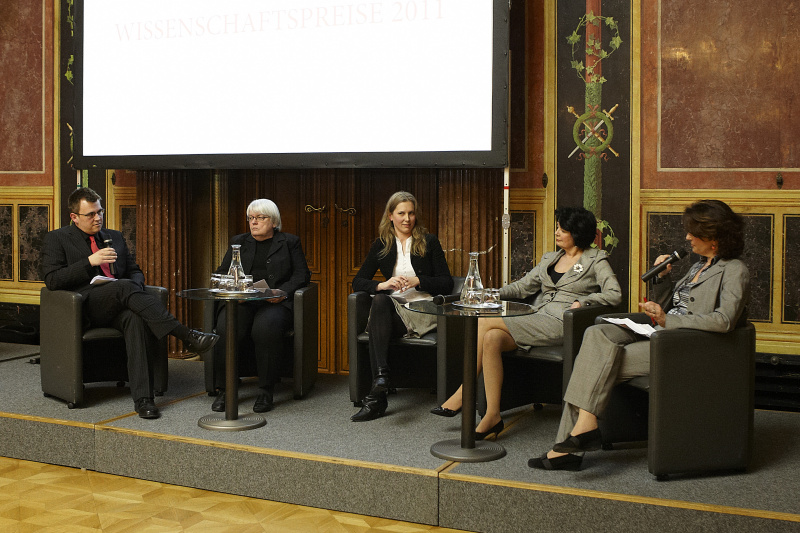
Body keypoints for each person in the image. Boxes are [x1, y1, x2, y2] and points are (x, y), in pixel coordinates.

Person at [529, 199, 749, 471]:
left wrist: (670, 321)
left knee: (595, 361)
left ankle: (566, 448)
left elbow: (725, 320)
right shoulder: (697, 266)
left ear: (713, 236)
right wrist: (663, 280)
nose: (687, 237)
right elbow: (672, 305)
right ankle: (582, 428)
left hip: (688, 348)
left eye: (693, 231)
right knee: (597, 334)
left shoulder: (734, 270)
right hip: (663, 333)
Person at [433, 206, 622, 440]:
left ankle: (463, 393)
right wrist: (494, 294)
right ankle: (492, 415)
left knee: (482, 322)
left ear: (578, 233)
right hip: (537, 317)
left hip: (562, 322)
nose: (557, 232)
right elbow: (523, 287)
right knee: (491, 338)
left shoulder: (596, 260)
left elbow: (614, 294)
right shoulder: (550, 258)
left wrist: (583, 301)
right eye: (557, 228)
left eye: (563, 229)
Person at [41, 187, 219, 419]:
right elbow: (52, 280)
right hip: (83, 307)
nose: (98, 218)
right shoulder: (57, 238)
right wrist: (89, 262)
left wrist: (134, 287)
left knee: (135, 317)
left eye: (100, 211)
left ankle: (144, 400)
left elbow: (135, 271)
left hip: (121, 302)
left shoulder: (113, 236)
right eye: (91, 214)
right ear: (74, 217)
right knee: (124, 287)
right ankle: (186, 335)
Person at [350, 191, 454, 422]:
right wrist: (383, 284)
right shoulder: (381, 244)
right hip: (394, 311)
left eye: (411, 213)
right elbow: (358, 281)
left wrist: (420, 280)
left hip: (423, 309)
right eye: (401, 213)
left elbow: (447, 283)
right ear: (390, 216)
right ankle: (382, 379)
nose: (407, 219)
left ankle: (378, 391)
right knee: (379, 299)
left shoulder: (429, 241)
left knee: (379, 309)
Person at [210, 199, 310, 414]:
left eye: (260, 218)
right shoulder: (238, 242)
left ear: (273, 222)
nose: (254, 223)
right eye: (251, 218)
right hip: (243, 301)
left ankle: (266, 390)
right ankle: (226, 390)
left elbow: (302, 275)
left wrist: (281, 291)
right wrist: (235, 289)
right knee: (227, 327)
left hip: (274, 302)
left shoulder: (290, 242)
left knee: (265, 328)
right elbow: (223, 271)